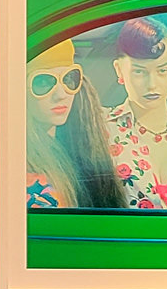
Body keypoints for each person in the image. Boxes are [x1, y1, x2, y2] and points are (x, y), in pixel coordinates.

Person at [25, 38, 129, 209]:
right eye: (43, 82)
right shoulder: (23, 166)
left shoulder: (81, 146)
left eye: (68, 79)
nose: (61, 94)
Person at [105, 16, 167, 208]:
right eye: (139, 72)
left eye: (162, 71)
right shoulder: (102, 130)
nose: (152, 84)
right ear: (119, 70)